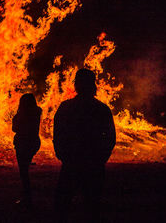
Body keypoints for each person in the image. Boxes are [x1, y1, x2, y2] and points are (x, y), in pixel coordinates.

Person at [53, 68, 116, 223]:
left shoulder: (66, 107)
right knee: (91, 206)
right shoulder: (101, 109)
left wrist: (62, 154)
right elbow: (110, 137)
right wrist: (101, 158)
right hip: (92, 163)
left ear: (77, 85)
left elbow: (58, 133)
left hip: (73, 162)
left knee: (63, 205)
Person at [12, 93, 42, 208]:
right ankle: (27, 194)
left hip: (23, 143)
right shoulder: (37, 112)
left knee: (23, 171)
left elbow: (14, 128)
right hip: (34, 142)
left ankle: (27, 197)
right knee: (25, 168)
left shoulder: (22, 115)